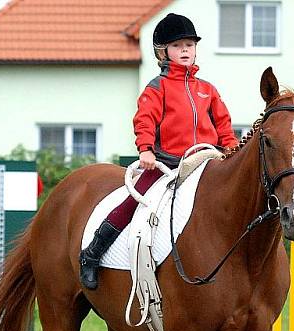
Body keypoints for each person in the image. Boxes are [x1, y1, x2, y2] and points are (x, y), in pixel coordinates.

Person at [79, 13, 238, 289]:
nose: (185, 50)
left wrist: (232, 147)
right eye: (178, 46)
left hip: (206, 163)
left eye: (190, 44)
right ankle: (93, 252)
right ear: (163, 52)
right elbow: (145, 120)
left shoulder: (207, 90)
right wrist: (146, 150)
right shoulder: (157, 87)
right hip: (166, 165)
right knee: (133, 202)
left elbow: (223, 124)